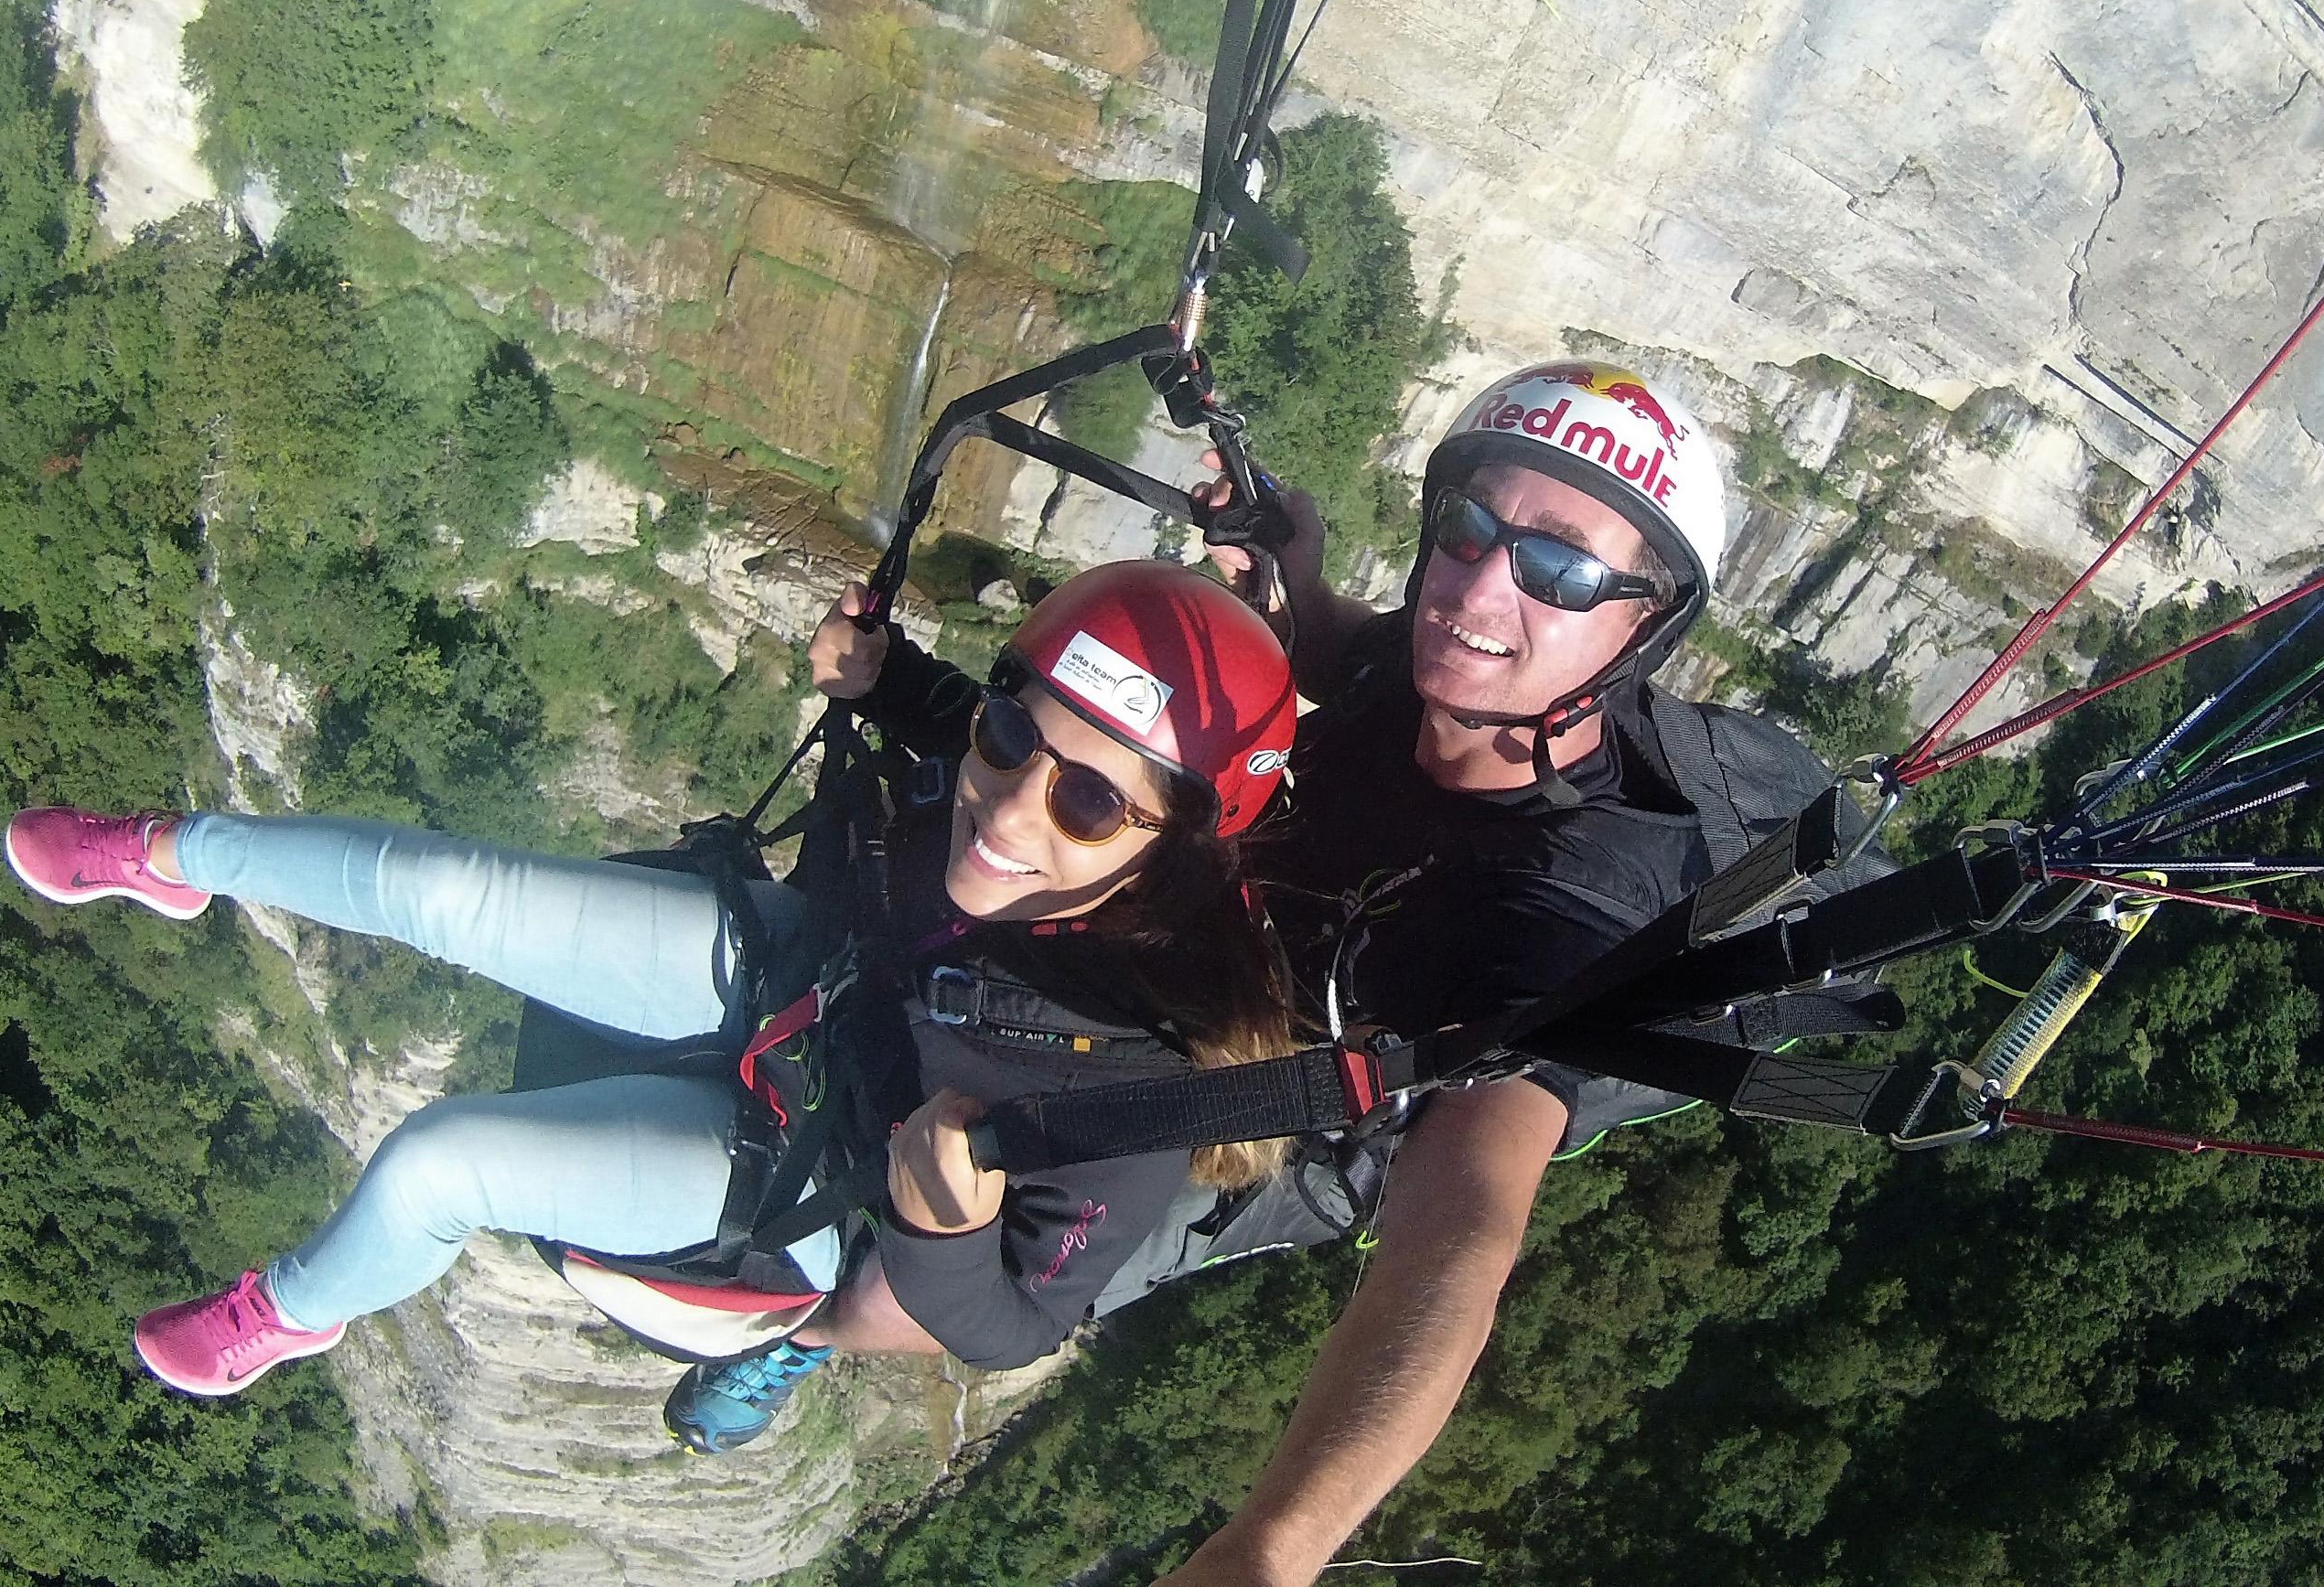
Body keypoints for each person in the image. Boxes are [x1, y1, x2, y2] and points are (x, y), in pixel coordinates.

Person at [683, 359, 1749, 1572]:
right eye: (1467, 527)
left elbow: (1459, 1239)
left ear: (1644, 623)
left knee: (915, 1284)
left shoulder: (1573, 906)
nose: (1478, 588)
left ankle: (814, 1329)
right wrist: (1293, 573)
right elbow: (1252, 715)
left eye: (1556, 568)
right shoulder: (1422, 659)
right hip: (1183, 934)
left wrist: (1276, 1545)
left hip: (1263, 1104)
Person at [2, 561, 1301, 1453]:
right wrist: (892, 680)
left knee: (439, 1165)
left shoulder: (1134, 1082)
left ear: (1176, 849)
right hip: (803, 974)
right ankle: (174, 857)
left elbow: (1018, 1324)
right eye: (1014, 746)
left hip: (811, 1179)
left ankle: (287, 1313)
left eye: (1087, 806)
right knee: (446, 888)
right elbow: (986, 720)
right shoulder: (1011, 759)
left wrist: (946, 1232)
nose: (1013, 807)